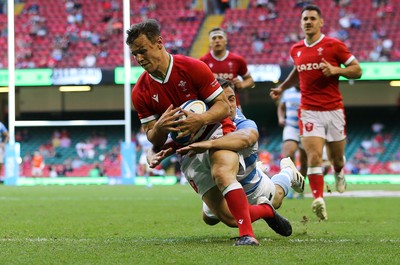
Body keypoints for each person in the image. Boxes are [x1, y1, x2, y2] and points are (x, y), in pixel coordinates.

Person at [126, 19, 285, 246]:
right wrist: (160, 127)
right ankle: (266, 212)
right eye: (134, 54)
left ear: (159, 43)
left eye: (142, 51)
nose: (139, 59)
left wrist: (199, 119)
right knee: (228, 218)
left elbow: (222, 107)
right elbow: (153, 137)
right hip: (187, 149)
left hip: (217, 133)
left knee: (222, 172)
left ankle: (247, 236)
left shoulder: (192, 67)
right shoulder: (140, 92)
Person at [171, 78, 305, 228]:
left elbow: (247, 137)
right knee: (209, 218)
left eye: (232, 99)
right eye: (222, 100)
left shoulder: (242, 124)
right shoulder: (203, 122)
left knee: (275, 200)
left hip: (250, 184)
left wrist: (209, 144)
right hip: (223, 181)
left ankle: (287, 173)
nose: (229, 105)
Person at [270, 5, 362, 220]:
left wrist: (337, 70)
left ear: (321, 22)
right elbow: (297, 70)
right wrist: (282, 87)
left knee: (337, 159)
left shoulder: (334, 46)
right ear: (301, 23)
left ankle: (339, 173)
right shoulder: (296, 49)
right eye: (305, 19)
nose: (308, 22)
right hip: (309, 111)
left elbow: (357, 70)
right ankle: (318, 198)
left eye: (312, 18)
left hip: (334, 110)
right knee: (313, 156)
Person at [200, 27, 255, 110]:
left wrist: (242, 84)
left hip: (234, 105)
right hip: (212, 106)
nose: (217, 40)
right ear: (210, 42)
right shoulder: (203, 61)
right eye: (214, 38)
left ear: (226, 41)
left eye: (220, 37)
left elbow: (250, 80)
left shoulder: (237, 60)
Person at [277, 85, 307, 199]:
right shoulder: (287, 92)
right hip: (291, 127)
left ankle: (300, 188)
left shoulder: (308, 91)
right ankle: (290, 186)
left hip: (306, 129)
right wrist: (280, 118)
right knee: (288, 155)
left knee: (304, 161)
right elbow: (281, 107)